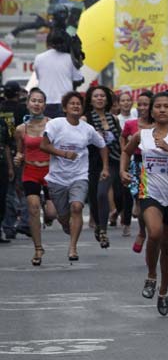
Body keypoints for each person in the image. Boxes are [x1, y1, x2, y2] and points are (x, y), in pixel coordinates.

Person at [120, 91, 168, 316]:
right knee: (154, 233)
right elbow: (126, 151)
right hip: (149, 193)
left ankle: (163, 291)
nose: (162, 110)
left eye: (167, 106)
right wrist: (123, 171)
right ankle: (152, 275)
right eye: (158, 106)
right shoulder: (142, 135)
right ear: (150, 110)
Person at [40, 91, 109, 261]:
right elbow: (44, 145)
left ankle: (73, 248)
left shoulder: (87, 129)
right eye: (72, 103)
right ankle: (65, 224)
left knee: (77, 207)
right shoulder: (56, 124)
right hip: (57, 178)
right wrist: (63, 153)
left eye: (78, 104)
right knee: (62, 216)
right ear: (65, 108)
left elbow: (102, 145)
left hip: (79, 176)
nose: (76, 106)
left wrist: (105, 167)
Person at [13, 88, 57, 264]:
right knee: (32, 208)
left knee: (52, 213)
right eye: (33, 100)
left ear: (44, 105)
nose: (36, 104)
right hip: (30, 171)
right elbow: (19, 152)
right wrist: (18, 158)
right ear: (28, 103)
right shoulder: (20, 129)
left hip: (50, 172)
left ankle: (48, 216)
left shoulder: (52, 124)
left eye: (40, 101)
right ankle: (38, 249)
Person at [83, 85, 122, 248]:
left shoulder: (113, 118)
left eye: (102, 96)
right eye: (96, 96)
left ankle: (106, 225)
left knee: (113, 195)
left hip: (114, 160)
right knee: (96, 195)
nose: (99, 99)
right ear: (91, 100)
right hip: (93, 162)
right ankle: (101, 227)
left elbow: (120, 139)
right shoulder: (86, 119)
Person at [120, 90, 154, 252]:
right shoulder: (131, 124)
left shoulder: (160, 124)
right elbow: (123, 137)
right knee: (140, 202)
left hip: (157, 165)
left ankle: (155, 231)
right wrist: (124, 153)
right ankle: (142, 232)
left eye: (145, 104)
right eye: (139, 104)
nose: (141, 108)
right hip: (138, 164)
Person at [0, 81, 29, 239]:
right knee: (23, 189)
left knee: (8, 192)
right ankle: (24, 222)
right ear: (18, 94)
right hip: (21, 152)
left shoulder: (1, 108)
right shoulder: (23, 109)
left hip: (5, 153)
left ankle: (8, 226)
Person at [33, 30, 84, 118]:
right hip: (65, 102)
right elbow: (78, 79)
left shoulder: (39, 58)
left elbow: (39, 77)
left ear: (48, 42)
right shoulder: (70, 58)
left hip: (44, 102)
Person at [0, 116, 13, 243]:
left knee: (2, 198)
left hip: (2, 165)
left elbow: (7, 146)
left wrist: (10, 167)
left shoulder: (2, 123)